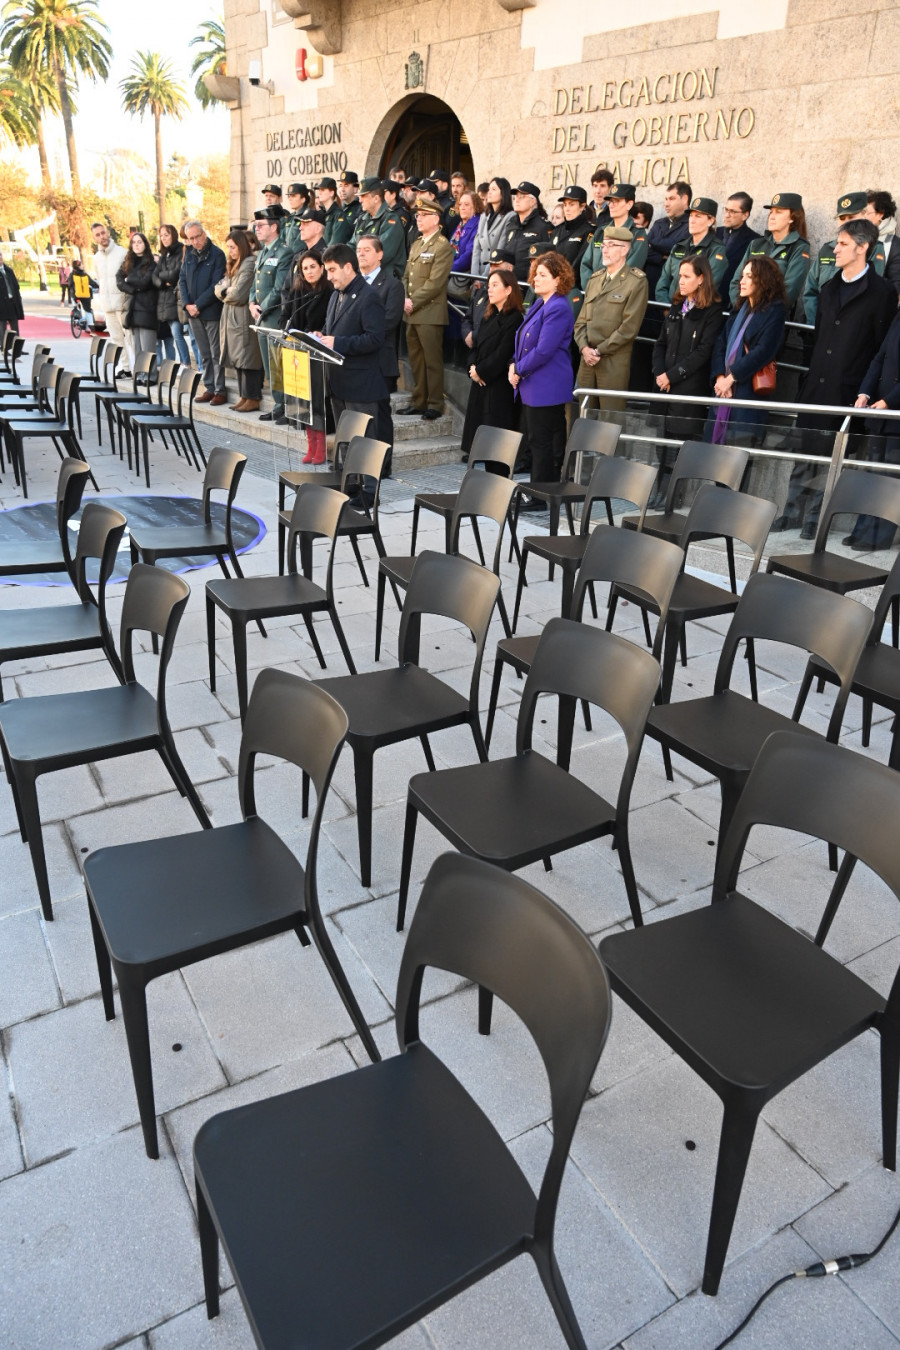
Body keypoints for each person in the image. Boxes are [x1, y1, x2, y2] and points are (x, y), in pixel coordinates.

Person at [774, 219, 898, 536]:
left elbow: (880, 347)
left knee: (833, 458)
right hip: (816, 386)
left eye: (843, 244)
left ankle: (816, 519)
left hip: (849, 389)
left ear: (863, 247)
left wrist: (866, 391)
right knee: (804, 450)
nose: (836, 249)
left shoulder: (881, 293)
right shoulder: (829, 288)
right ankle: (791, 511)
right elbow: (817, 339)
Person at [651, 254, 725, 499]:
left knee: (680, 444)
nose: (680, 281)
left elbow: (703, 352)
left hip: (687, 388)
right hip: (664, 387)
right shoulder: (676, 306)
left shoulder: (712, 311)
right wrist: (660, 373)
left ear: (701, 278)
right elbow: (660, 343)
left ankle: (673, 493)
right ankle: (658, 489)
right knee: (661, 442)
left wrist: (672, 375)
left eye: (686, 276)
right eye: (679, 276)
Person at [510, 251, 576, 502]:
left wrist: (519, 369)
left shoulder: (558, 307)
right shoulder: (541, 303)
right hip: (535, 383)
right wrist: (515, 364)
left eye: (542, 275)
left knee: (542, 443)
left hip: (547, 385)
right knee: (538, 441)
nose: (535, 279)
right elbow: (525, 341)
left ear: (558, 279)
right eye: (535, 274)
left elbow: (544, 350)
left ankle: (540, 497)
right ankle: (538, 493)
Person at [710, 255, 787, 445]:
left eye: (748, 276)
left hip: (747, 391)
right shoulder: (740, 307)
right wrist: (720, 377)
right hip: (723, 390)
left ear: (763, 280)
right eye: (742, 276)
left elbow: (764, 351)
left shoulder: (775, 311)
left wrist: (731, 378)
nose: (741, 281)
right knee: (711, 456)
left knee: (736, 455)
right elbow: (721, 343)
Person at [575, 225, 649, 412]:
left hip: (612, 362)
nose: (605, 249)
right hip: (587, 359)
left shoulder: (636, 281)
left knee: (610, 420)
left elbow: (629, 328)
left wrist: (599, 351)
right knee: (584, 417)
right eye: (603, 245)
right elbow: (581, 321)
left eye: (611, 245)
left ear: (624, 249)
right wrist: (584, 348)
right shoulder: (595, 278)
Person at [317, 243, 387, 438]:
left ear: (348, 267)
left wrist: (337, 343)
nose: (328, 276)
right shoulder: (334, 295)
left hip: (360, 387)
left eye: (332, 270)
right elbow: (330, 329)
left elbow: (374, 339)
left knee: (362, 445)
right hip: (337, 383)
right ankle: (345, 468)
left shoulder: (369, 296)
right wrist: (319, 336)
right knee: (345, 441)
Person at [847, 308, 900, 548]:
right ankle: (863, 529)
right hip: (881, 407)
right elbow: (880, 356)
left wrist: (889, 400)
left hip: (894, 409)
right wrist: (865, 392)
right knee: (873, 472)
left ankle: (879, 536)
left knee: (890, 477)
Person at [461, 266, 524, 462]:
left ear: (508, 290)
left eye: (495, 285)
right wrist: (472, 368)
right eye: (489, 285)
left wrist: (481, 371)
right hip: (479, 384)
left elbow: (503, 352)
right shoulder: (489, 316)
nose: (490, 289)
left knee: (497, 448)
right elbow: (476, 346)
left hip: (497, 388)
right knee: (481, 443)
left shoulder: (514, 318)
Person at [401, 197, 455, 418]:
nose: (419, 219)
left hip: (429, 312)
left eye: (423, 215)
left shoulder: (442, 247)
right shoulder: (416, 244)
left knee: (432, 361)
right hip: (411, 312)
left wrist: (413, 301)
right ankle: (419, 400)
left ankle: (434, 404)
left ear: (436, 218)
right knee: (416, 360)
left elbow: (435, 283)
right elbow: (406, 277)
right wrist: (404, 299)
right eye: (417, 215)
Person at [358, 232, 404, 475]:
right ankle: (362, 462)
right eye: (359, 250)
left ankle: (383, 464)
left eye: (367, 249)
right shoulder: (354, 283)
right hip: (357, 361)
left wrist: (355, 334)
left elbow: (389, 321)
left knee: (380, 415)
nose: (361, 253)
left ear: (380, 255)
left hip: (380, 360)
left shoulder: (392, 285)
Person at [802, 192, 886, 325]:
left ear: (864, 216)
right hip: (820, 325)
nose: (846, 222)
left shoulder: (873, 248)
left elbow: (870, 291)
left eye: (851, 217)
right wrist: (816, 323)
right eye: (842, 218)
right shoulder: (827, 249)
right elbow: (810, 291)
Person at [281, 248, 332, 462]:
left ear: (322, 267)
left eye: (313, 267)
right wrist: (286, 331)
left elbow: (331, 322)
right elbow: (286, 317)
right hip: (298, 354)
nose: (309, 272)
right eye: (305, 268)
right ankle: (310, 446)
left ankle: (321, 447)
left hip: (319, 355)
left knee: (318, 403)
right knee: (303, 402)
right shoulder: (297, 291)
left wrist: (321, 333)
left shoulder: (330, 291)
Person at [728, 191, 810, 310]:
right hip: (744, 312)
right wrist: (742, 307)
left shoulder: (799, 248)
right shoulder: (756, 244)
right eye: (771, 212)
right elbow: (736, 281)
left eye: (778, 212)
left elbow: (789, 290)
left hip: (771, 317)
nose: (771, 216)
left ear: (792, 218)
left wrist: (761, 312)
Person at [249, 206, 294, 422]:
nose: (256, 229)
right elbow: (255, 284)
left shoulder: (284, 252)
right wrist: (251, 303)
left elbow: (279, 288)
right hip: (261, 317)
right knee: (269, 364)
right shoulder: (263, 253)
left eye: (260, 225)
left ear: (274, 227)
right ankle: (278, 404)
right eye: (255, 225)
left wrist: (261, 308)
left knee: (278, 364)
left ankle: (286, 406)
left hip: (274, 317)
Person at [214, 230, 265, 414]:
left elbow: (239, 294)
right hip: (232, 316)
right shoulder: (234, 264)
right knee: (238, 358)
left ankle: (252, 397)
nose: (230, 251)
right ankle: (244, 396)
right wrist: (225, 291)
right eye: (228, 247)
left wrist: (225, 292)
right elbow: (218, 287)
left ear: (241, 246)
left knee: (247, 358)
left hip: (243, 317)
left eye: (232, 247)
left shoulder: (249, 263)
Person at [179, 218, 227, 403]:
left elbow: (216, 285)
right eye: (190, 239)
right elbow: (182, 280)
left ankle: (220, 390)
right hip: (193, 313)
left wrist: (198, 305)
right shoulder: (189, 255)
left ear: (204, 234)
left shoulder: (217, 255)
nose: (194, 241)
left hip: (210, 311)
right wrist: (187, 304)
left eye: (197, 237)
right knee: (203, 353)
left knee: (216, 353)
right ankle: (209, 387)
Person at [655, 197, 728, 303]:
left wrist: (682, 310)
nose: (692, 220)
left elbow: (708, 286)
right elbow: (663, 282)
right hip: (669, 312)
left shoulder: (716, 250)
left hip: (693, 313)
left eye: (698, 216)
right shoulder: (679, 246)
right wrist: (666, 307)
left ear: (710, 221)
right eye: (691, 216)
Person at [580, 184, 648, 289]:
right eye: (610, 201)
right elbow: (585, 264)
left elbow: (631, 268)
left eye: (616, 201)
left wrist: (605, 291)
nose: (611, 205)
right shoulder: (601, 231)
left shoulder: (637, 234)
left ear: (629, 204)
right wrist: (592, 289)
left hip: (618, 295)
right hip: (593, 294)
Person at [92, 221, 131, 374]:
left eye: (103, 233)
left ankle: (136, 367)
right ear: (94, 238)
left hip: (122, 303)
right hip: (107, 305)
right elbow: (100, 278)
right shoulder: (96, 258)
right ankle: (125, 367)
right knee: (116, 339)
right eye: (98, 235)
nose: (102, 237)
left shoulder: (122, 253)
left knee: (129, 337)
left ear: (108, 232)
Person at [643, 179, 691, 298]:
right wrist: (662, 257)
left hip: (670, 292)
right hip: (647, 288)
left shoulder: (691, 224)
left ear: (684, 199)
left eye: (671, 199)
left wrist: (652, 242)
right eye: (666, 199)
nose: (666, 204)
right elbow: (643, 250)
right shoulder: (659, 223)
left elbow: (676, 247)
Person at [350, 178, 407, 277]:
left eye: (363, 196)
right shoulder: (362, 219)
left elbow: (381, 254)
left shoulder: (391, 219)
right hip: (365, 276)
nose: (360, 200)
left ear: (376, 198)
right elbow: (352, 245)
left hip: (386, 280)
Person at [116, 231, 158, 362]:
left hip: (147, 309)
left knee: (148, 349)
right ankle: (140, 376)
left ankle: (150, 377)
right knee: (137, 348)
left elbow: (145, 282)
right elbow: (119, 280)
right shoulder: (128, 262)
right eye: (134, 242)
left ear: (145, 244)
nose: (136, 245)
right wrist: (132, 289)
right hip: (133, 308)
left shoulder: (151, 263)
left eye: (139, 242)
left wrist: (129, 280)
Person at [153, 223, 190, 363]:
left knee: (177, 334)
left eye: (166, 235)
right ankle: (184, 363)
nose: (163, 238)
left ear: (173, 235)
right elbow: (154, 276)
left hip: (177, 300)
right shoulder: (164, 254)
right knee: (174, 335)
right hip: (165, 301)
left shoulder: (181, 250)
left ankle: (186, 363)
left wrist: (162, 276)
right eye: (161, 235)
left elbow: (175, 274)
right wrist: (163, 282)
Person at [503, 181, 551, 282]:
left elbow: (548, 260)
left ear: (533, 201)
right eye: (515, 197)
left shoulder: (543, 227)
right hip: (509, 282)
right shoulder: (511, 224)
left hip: (528, 285)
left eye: (521, 196)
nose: (516, 200)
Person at [717, 191, 760, 296]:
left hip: (731, 300)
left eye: (732, 212)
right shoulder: (714, 233)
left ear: (745, 215)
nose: (727, 215)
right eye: (726, 210)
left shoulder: (754, 241)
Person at [471, 176, 516, 275]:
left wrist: (483, 278)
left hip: (493, 272)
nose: (489, 192)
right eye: (489, 189)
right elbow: (476, 247)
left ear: (503, 193)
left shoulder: (510, 217)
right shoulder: (484, 216)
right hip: (478, 272)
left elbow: (500, 248)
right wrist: (474, 276)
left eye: (494, 189)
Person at [549, 185, 594, 279]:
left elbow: (580, 263)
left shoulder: (589, 231)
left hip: (571, 286)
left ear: (582, 206)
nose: (567, 209)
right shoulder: (557, 230)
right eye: (565, 205)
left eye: (571, 204)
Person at [866, 190, 900, 295]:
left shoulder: (893, 244)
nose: (862, 216)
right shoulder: (856, 237)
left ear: (880, 214)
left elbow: (896, 284)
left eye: (866, 212)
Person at [449, 189, 481, 275]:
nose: (462, 207)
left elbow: (468, 255)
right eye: (460, 204)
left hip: (463, 274)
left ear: (475, 206)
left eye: (466, 205)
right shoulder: (460, 225)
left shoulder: (477, 224)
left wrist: (447, 269)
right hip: (451, 270)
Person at [333, 170, 362, 244]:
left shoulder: (361, 208)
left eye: (346, 185)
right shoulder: (338, 207)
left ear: (355, 189)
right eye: (340, 185)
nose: (342, 189)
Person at [0, 254, 23, 340]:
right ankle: (3, 348)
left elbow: (16, 286)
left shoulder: (9, 271)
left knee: (15, 327)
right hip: (1, 304)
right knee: (2, 328)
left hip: (12, 302)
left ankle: (17, 347)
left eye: (1, 256)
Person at [284, 182, 312, 253]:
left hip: (298, 257)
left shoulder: (307, 216)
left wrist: (287, 255)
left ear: (303, 199)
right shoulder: (290, 217)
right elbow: (283, 238)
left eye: (293, 196)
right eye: (289, 196)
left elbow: (300, 244)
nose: (290, 199)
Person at [315, 177, 342, 244]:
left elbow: (335, 241)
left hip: (330, 254)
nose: (319, 193)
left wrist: (323, 254)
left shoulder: (338, 215)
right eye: (319, 190)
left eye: (323, 190)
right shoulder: (322, 213)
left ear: (331, 193)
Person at [590, 168, 615, 234]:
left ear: (611, 188)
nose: (598, 191)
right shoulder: (586, 211)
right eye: (595, 186)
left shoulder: (615, 212)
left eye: (602, 186)